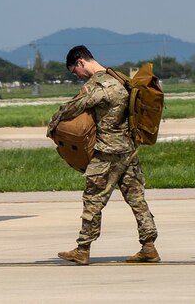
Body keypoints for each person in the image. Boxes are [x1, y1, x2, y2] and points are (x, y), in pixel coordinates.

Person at [48, 45, 158, 264]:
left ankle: (82, 249)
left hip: (107, 152)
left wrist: (53, 124)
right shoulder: (119, 79)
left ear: (80, 62)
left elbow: (75, 107)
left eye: (74, 71)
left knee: (93, 199)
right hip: (128, 150)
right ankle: (149, 247)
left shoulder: (99, 85)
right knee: (137, 200)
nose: (77, 76)